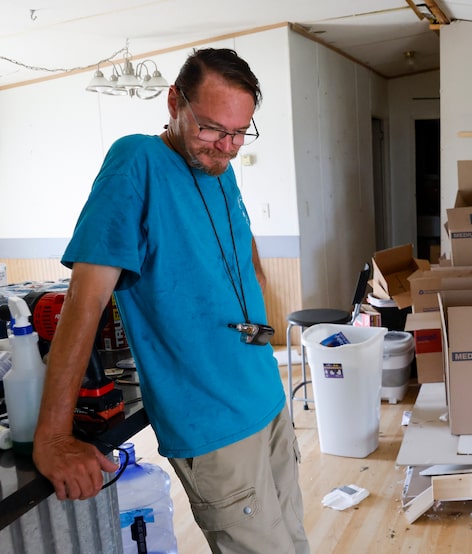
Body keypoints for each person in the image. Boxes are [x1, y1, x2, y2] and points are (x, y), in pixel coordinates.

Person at [33, 48, 309, 553]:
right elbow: (84, 299)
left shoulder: (219, 171)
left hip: (264, 396)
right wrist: (52, 436)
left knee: (294, 542)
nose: (225, 146)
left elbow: (242, 256)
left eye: (239, 132)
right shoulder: (136, 161)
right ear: (174, 101)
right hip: (213, 421)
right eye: (211, 129)